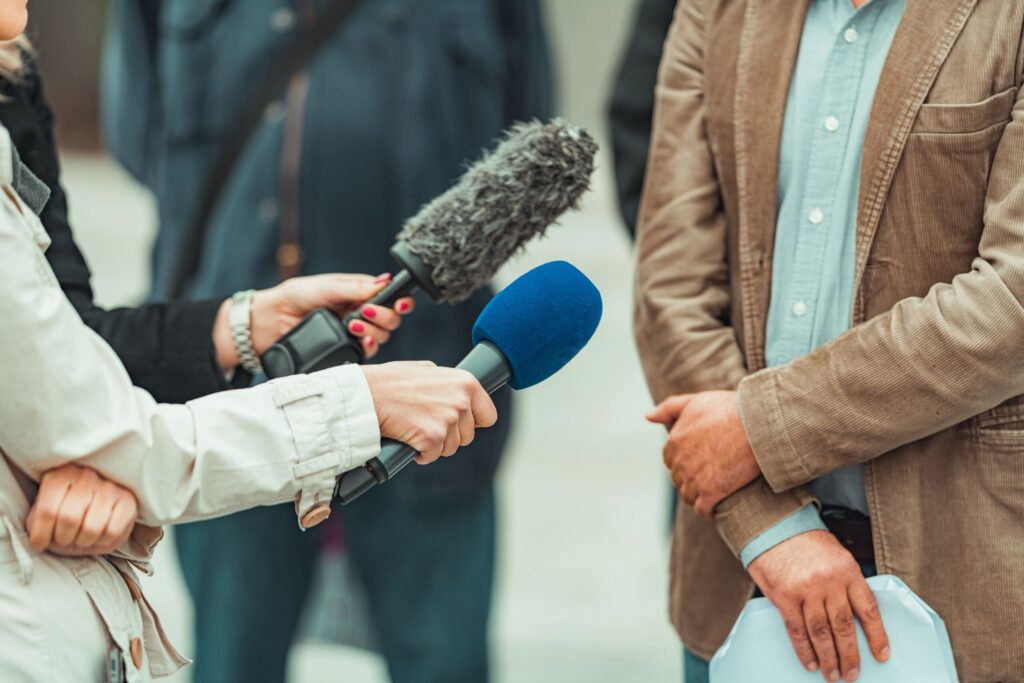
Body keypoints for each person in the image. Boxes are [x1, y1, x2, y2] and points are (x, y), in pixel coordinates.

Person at [102, 2, 552, 681]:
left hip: (427, 390)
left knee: (443, 661)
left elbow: (525, 127)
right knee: (233, 659)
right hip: (232, 390)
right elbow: (138, 136)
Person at [634, 2, 1024, 683]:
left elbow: (1011, 303)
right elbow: (671, 288)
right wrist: (770, 527)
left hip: (966, 579)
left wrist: (761, 425)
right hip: (740, 575)